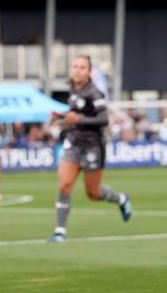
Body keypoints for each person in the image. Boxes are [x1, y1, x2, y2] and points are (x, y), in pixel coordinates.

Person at [47, 55, 132, 243]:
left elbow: (104, 119)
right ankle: (60, 232)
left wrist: (78, 120)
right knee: (64, 185)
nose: (77, 70)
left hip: (93, 146)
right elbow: (76, 114)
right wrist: (61, 117)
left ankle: (121, 199)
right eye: (75, 66)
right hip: (73, 143)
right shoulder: (72, 89)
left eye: (82, 67)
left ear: (89, 72)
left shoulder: (95, 93)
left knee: (93, 193)